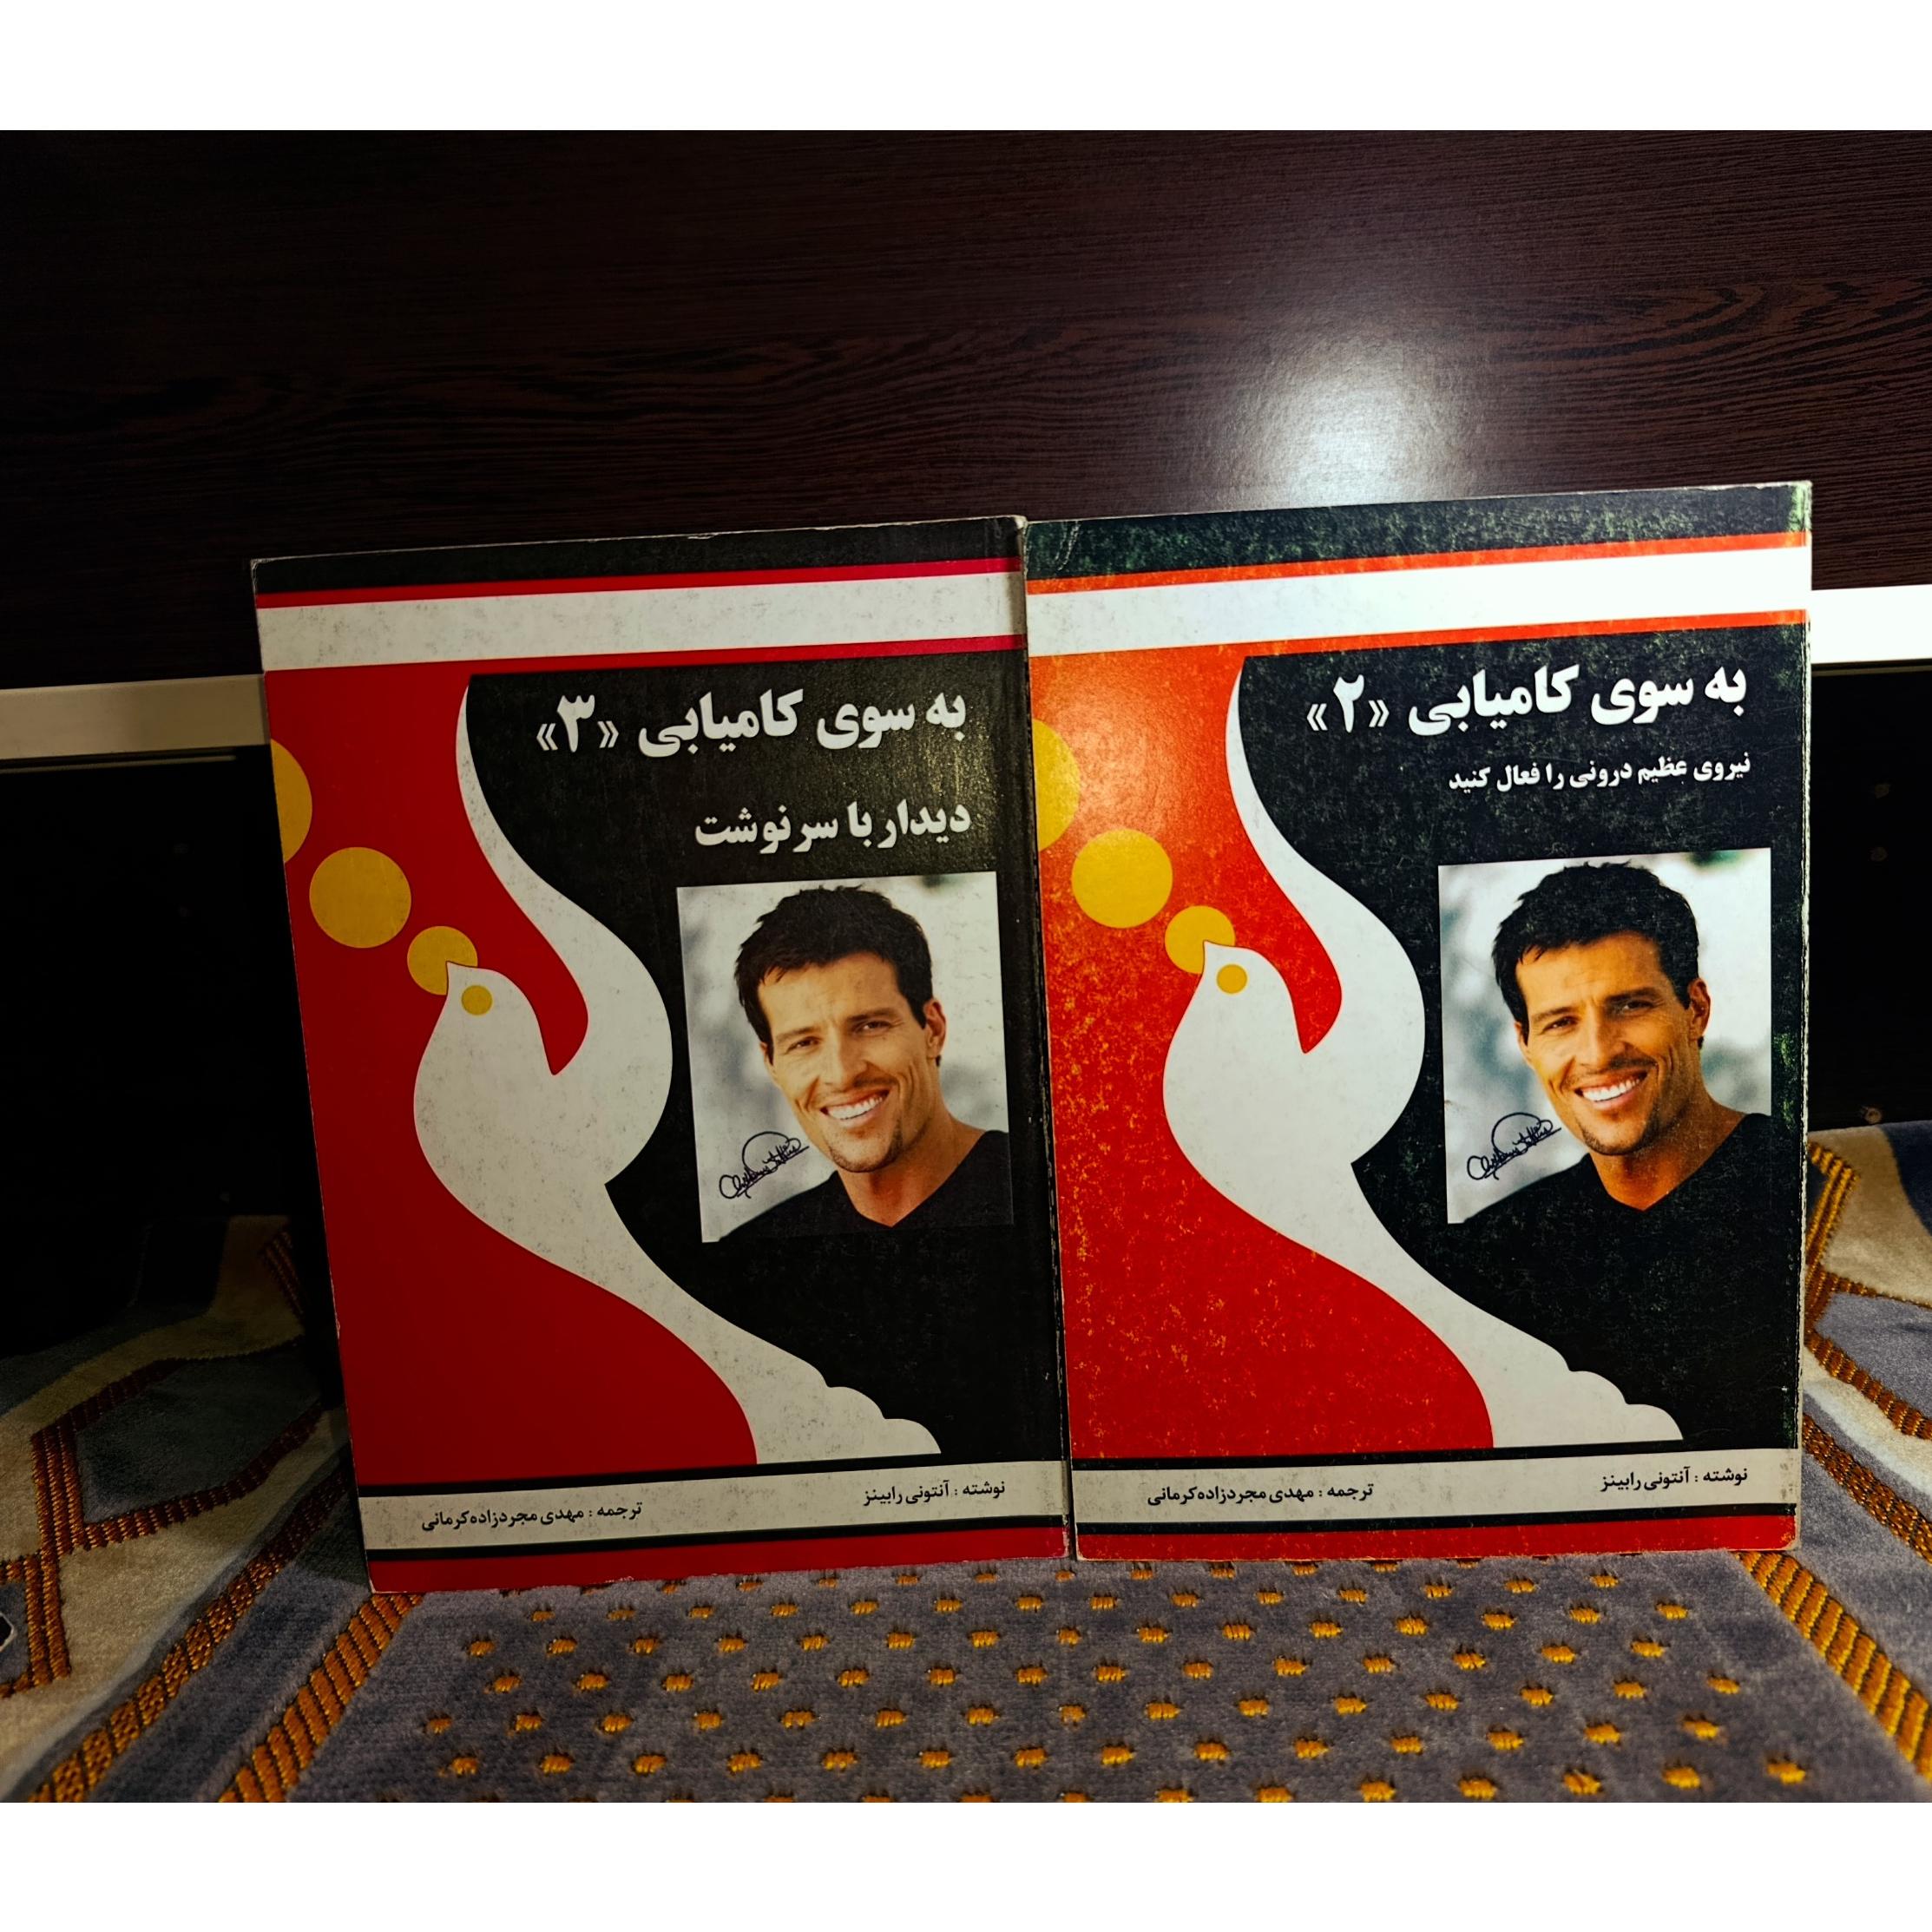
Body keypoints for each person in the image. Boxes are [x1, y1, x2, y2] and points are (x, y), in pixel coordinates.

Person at [1459, 860, 1791, 1447]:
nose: (1598, 1053)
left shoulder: (1802, 1192)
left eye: (1630, 1006)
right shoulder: (1489, 1259)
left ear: (1695, 1009)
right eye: (1560, 1023)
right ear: (1525, 1043)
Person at [725, 884, 1010, 1237]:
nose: (842, 1074)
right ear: (771, 1064)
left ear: (933, 1030)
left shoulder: (1049, 1189)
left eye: (870, 1026)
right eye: (804, 1043)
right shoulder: (750, 1252)